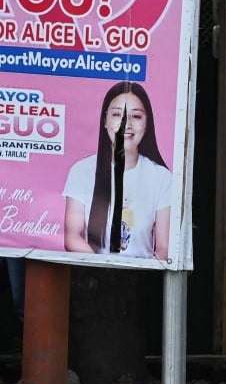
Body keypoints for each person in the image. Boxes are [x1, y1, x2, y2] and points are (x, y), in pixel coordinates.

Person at [63, 81, 173, 260]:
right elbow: (72, 237)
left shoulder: (162, 178)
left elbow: (164, 248)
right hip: (93, 271)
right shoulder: (81, 171)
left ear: (147, 123)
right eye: (116, 115)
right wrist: (103, 267)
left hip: (142, 274)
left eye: (136, 116)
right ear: (104, 121)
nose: (125, 124)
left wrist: (140, 272)